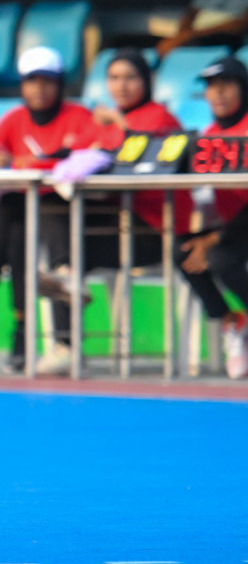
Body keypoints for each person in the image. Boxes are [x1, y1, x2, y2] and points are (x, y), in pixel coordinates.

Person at [0, 46, 101, 372]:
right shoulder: (15, 118)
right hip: (28, 210)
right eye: (31, 81)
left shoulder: (78, 117)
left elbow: (90, 155)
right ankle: (12, 325)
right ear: (22, 86)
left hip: (70, 211)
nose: (38, 89)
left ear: (59, 84)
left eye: (47, 81)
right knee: (15, 219)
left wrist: (25, 161)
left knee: (14, 212)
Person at [35, 49, 190, 374]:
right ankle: (65, 342)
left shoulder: (159, 118)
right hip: (117, 223)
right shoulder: (104, 125)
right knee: (56, 229)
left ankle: (67, 286)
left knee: (68, 253)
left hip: (152, 231)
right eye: (114, 78)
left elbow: (139, 163)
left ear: (146, 81)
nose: (121, 86)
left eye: (130, 77)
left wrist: (118, 125)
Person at [176, 56, 248, 378]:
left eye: (225, 86)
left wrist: (215, 238)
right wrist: (206, 236)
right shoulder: (207, 136)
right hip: (233, 227)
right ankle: (234, 322)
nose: (217, 94)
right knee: (183, 250)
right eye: (210, 88)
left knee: (220, 257)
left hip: (239, 227)